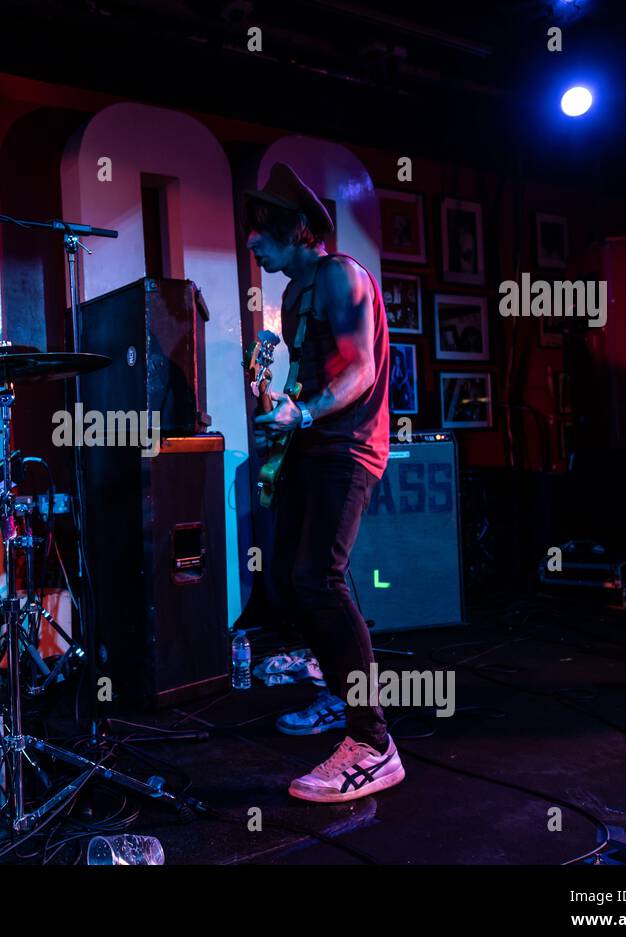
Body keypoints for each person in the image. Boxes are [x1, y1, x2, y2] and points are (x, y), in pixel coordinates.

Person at [244, 163, 405, 802]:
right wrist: (281, 411)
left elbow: (362, 370)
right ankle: (340, 697)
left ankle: (373, 742)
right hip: (312, 447)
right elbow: (309, 382)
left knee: (318, 578)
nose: (252, 242)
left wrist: (303, 414)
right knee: (290, 581)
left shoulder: (341, 274)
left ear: (300, 229)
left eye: (263, 230)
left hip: (350, 449)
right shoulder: (291, 296)